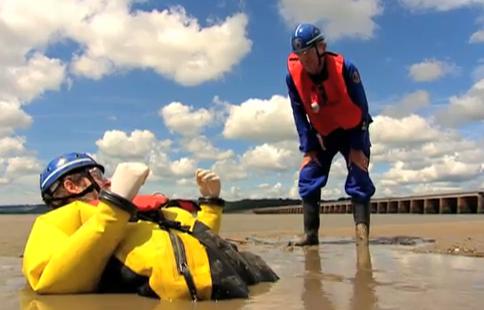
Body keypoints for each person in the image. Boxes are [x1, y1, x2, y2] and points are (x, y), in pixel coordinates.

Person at [23, 152, 278, 301]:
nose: (108, 180)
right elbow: (49, 282)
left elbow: (197, 246)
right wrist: (114, 207)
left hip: (244, 281)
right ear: (72, 185)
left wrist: (210, 204)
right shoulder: (56, 222)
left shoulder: (139, 211)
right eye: (98, 175)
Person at [285, 23, 375, 247]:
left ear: (321, 48)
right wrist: (309, 148)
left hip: (353, 129)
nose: (305, 61)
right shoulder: (293, 77)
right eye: (300, 55)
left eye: (308, 53)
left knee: (359, 174)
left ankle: (361, 237)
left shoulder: (346, 68)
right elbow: (298, 114)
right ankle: (310, 235)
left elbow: (362, 109)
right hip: (323, 134)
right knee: (308, 174)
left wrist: (357, 147)